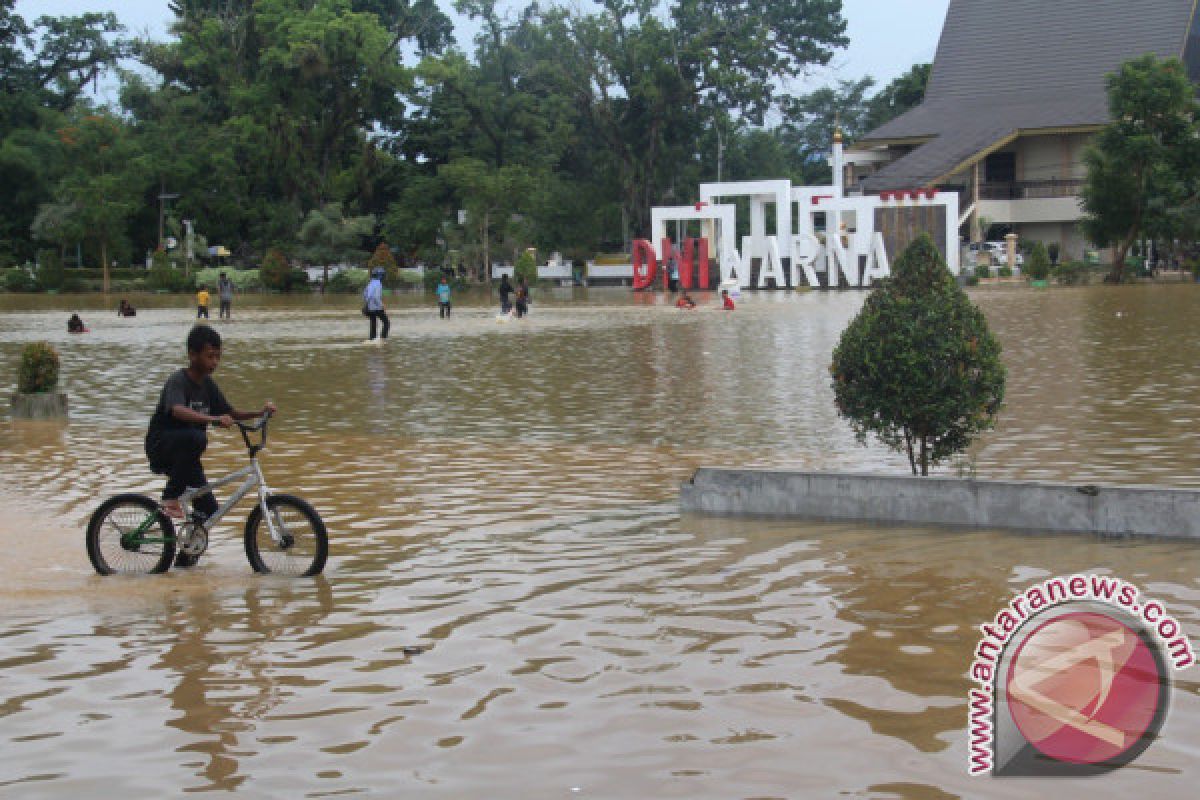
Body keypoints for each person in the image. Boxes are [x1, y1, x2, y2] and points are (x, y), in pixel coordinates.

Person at [143, 324, 276, 528]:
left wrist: (259, 412)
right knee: (197, 437)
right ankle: (170, 497)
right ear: (192, 355)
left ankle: (186, 554)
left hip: (187, 456)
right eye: (210, 356)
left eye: (217, 357)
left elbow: (230, 412)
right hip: (163, 445)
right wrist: (212, 420)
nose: (214, 362)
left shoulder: (208, 385)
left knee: (210, 512)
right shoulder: (178, 380)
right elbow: (177, 410)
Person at [362, 267, 389, 343]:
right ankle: (383, 339)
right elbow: (376, 297)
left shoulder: (370, 283)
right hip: (376, 308)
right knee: (386, 322)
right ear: (380, 275)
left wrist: (368, 303)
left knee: (373, 323)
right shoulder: (378, 284)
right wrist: (381, 305)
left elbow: (364, 294)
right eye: (383, 275)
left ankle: (372, 338)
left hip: (368, 308)